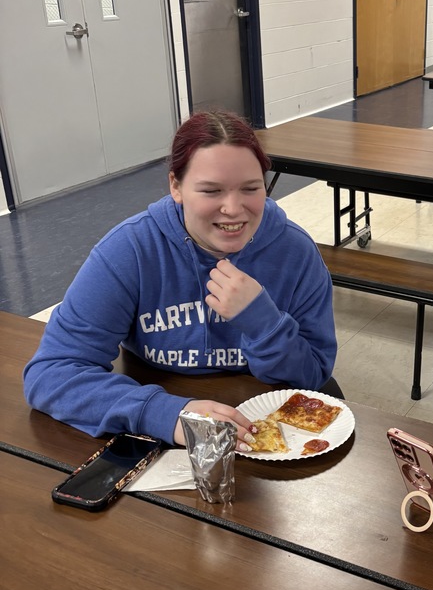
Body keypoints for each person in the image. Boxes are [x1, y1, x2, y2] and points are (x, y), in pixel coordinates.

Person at [24, 110, 338, 453]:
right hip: (160, 418)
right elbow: (50, 375)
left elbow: (313, 376)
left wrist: (264, 324)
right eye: (211, 190)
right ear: (176, 186)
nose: (234, 209)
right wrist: (166, 414)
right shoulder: (130, 250)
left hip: (268, 431)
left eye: (251, 188)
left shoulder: (295, 252)